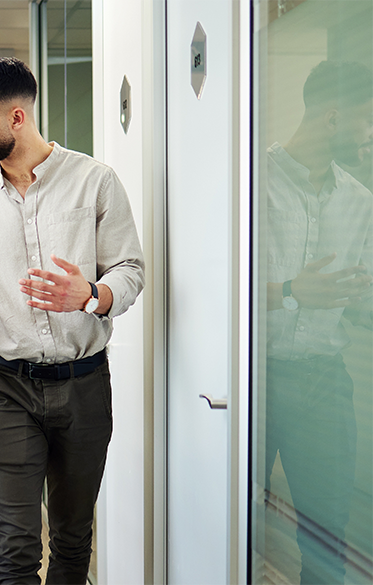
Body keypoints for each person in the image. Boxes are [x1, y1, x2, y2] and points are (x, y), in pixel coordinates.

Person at [0, 57, 145, 585]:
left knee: (74, 543)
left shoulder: (94, 181)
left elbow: (130, 270)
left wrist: (91, 294)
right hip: (7, 387)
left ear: (16, 118)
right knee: (16, 552)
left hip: (84, 385)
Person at [264, 60, 373, 585]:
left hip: (326, 382)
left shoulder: (361, 201)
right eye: (366, 122)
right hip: (252, 381)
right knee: (229, 524)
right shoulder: (250, 183)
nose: (370, 134)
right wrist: (290, 292)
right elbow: (218, 294)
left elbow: (362, 292)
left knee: (328, 539)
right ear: (332, 119)